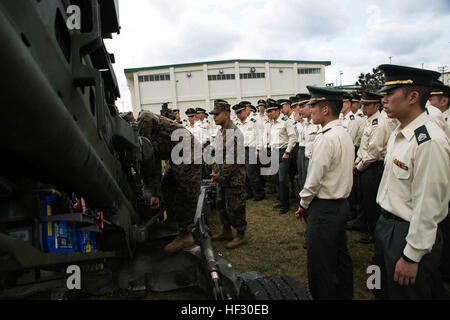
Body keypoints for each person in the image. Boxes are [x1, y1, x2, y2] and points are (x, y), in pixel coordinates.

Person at [375, 64, 450, 300]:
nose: (383, 100)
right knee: (380, 284)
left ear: (413, 97)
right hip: (386, 224)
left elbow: (428, 206)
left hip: (407, 232)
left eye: (389, 94)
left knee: (408, 293)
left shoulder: (428, 141)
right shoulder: (400, 132)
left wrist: (411, 256)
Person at [295, 86, 354, 300]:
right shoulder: (342, 133)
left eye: (313, 106)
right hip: (340, 205)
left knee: (320, 264)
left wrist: (303, 204)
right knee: (340, 257)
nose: (310, 111)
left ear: (326, 109)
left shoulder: (326, 137)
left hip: (325, 208)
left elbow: (314, 179)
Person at [138, 111, 202, 253]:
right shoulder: (150, 129)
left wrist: (154, 192)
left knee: (185, 193)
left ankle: (185, 235)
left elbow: (153, 164)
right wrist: (156, 192)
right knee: (167, 185)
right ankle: (173, 220)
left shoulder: (159, 127)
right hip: (176, 157)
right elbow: (154, 164)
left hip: (190, 155)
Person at [210, 100, 248, 249]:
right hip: (221, 177)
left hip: (234, 178)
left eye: (216, 114)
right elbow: (216, 153)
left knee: (235, 206)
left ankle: (241, 235)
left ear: (226, 114)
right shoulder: (221, 132)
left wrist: (220, 176)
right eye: (213, 114)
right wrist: (214, 170)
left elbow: (232, 161)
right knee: (221, 205)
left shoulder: (235, 133)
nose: (214, 117)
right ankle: (226, 231)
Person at [354, 91, 390, 244]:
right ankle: (366, 227)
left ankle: (375, 235)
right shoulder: (369, 120)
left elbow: (374, 152)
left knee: (372, 204)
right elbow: (364, 147)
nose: (363, 108)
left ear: (377, 105)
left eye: (367, 105)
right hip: (365, 165)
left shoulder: (380, 123)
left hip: (373, 167)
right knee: (364, 200)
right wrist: (357, 161)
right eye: (362, 104)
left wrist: (359, 167)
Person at [260, 99, 297, 215]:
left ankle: (285, 205)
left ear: (277, 111)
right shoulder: (270, 123)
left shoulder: (285, 121)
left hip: (283, 152)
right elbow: (269, 137)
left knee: (282, 179)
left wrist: (287, 152)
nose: (268, 114)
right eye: (268, 111)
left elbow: (293, 137)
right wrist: (268, 147)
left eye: (271, 111)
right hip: (274, 152)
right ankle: (281, 200)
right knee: (276, 178)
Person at [233, 103, 265, 201]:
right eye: (236, 113)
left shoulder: (253, 122)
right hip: (241, 150)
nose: (238, 115)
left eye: (240, 112)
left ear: (245, 111)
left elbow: (260, 136)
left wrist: (258, 149)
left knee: (251, 173)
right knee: (243, 174)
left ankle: (260, 193)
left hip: (251, 149)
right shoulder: (236, 124)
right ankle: (249, 192)